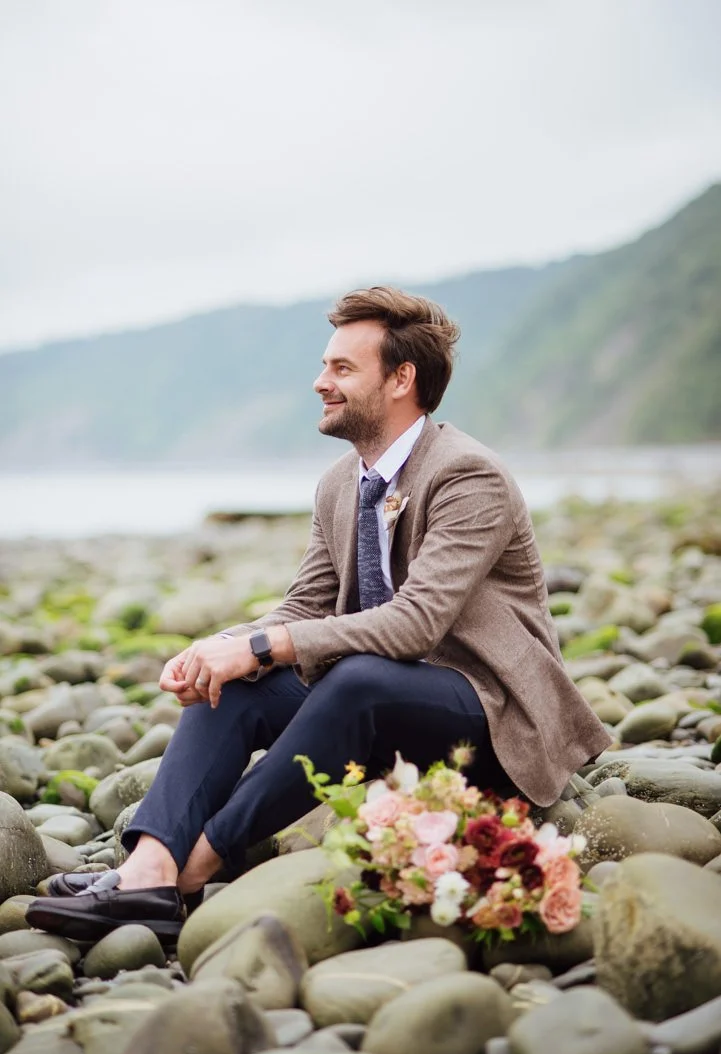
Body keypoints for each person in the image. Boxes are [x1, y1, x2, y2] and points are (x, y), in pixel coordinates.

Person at [27, 286, 610, 943]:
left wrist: (261, 643)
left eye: (339, 369)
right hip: (371, 705)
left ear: (400, 379)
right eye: (323, 367)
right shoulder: (340, 482)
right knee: (238, 683)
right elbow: (303, 606)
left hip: (490, 716)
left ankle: (194, 868)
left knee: (352, 678)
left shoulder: (467, 476)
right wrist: (220, 649)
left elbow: (415, 624)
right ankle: (148, 869)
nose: (318, 383)